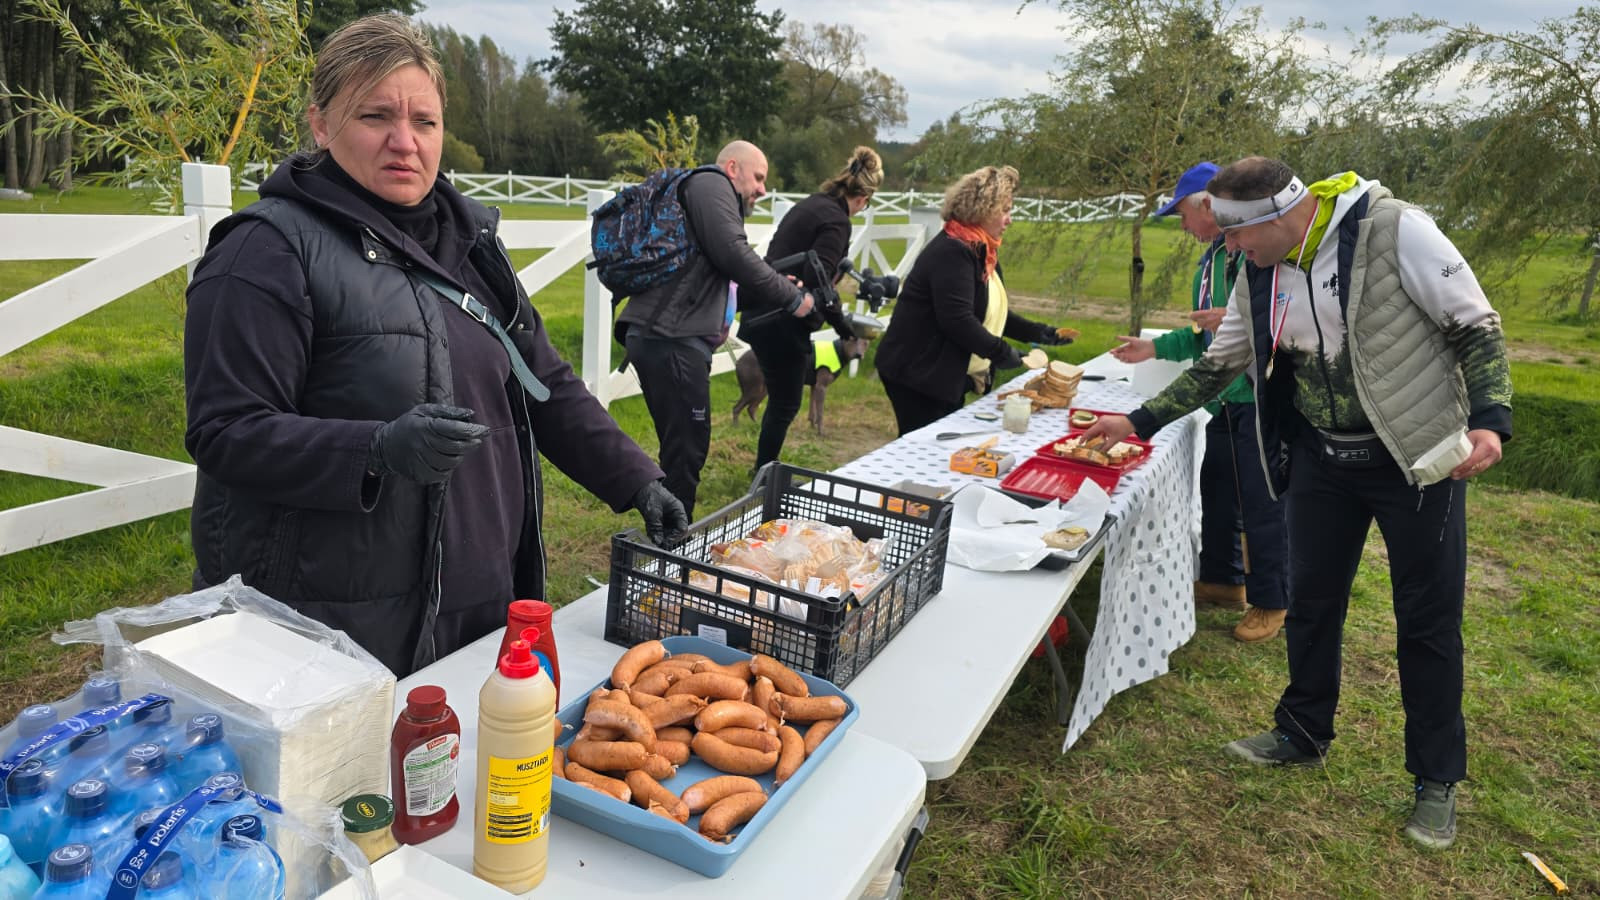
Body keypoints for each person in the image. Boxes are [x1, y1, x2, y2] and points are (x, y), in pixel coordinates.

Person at [183, 14, 687, 678]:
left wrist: (637, 481)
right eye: (375, 117)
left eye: (425, 121)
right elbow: (225, 431)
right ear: (320, 123)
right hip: (337, 624)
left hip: (477, 597)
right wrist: (375, 449)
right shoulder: (266, 250)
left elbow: (544, 382)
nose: (405, 142)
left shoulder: (470, 243)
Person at [1081, 157, 1512, 849]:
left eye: (1235, 233)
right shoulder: (1261, 269)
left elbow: (1475, 325)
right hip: (1321, 455)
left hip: (1415, 454)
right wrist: (1136, 423)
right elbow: (1220, 363)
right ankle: (1303, 729)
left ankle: (1436, 780)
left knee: (1427, 621)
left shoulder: (1395, 229)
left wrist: (1490, 417)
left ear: (1276, 217)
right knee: (1311, 600)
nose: (1227, 247)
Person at [1111, 162, 1290, 642]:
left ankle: (1272, 600)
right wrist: (1154, 348)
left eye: (1183, 215)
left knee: (1261, 501)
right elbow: (1203, 335)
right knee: (1218, 492)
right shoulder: (1211, 261)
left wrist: (1233, 323)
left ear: (1208, 205)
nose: (1183, 226)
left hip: (1256, 392)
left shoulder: (1258, 257)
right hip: (1220, 397)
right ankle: (1222, 578)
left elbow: (1278, 322)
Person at [615, 140, 815, 516]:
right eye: (758, 177)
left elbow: (724, 267)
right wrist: (792, 297)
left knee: (682, 447)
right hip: (671, 338)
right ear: (733, 167)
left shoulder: (708, 197)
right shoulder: (712, 185)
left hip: (669, 336)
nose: (762, 189)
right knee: (686, 452)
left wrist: (775, 280)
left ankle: (668, 536)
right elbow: (733, 253)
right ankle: (672, 552)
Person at [875, 165, 1077, 436]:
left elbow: (990, 312)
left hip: (936, 373)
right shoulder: (953, 252)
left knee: (940, 449)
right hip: (918, 373)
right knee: (927, 449)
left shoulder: (981, 250)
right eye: (1005, 211)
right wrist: (1001, 353)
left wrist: (1039, 333)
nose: (1010, 219)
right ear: (982, 210)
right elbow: (957, 321)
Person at [741, 146, 883, 469]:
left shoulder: (814, 204)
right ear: (862, 198)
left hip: (762, 305)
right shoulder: (837, 222)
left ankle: (762, 470)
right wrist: (844, 327)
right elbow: (818, 281)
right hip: (782, 318)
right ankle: (763, 476)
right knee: (786, 403)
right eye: (866, 204)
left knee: (781, 399)